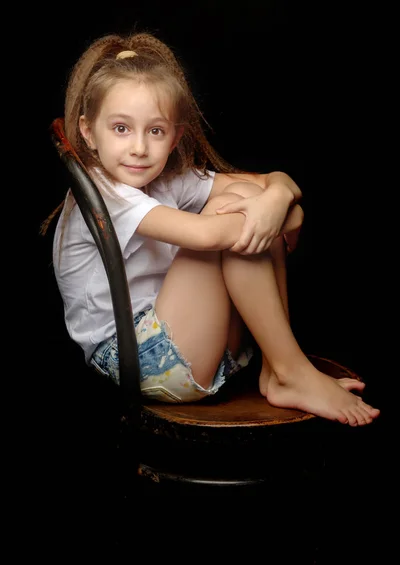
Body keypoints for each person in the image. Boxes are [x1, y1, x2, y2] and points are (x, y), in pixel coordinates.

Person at [43, 31, 380, 426]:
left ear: (175, 138)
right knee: (230, 214)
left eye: (155, 131)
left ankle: (279, 368)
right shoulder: (107, 193)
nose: (139, 147)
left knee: (239, 197)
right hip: (138, 360)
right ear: (88, 131)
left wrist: (281, 194)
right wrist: (282, 211)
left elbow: (264, 183)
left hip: (197, 344)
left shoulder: (165, 177)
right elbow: (210, 236)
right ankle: (291, 370)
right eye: (121, 128)